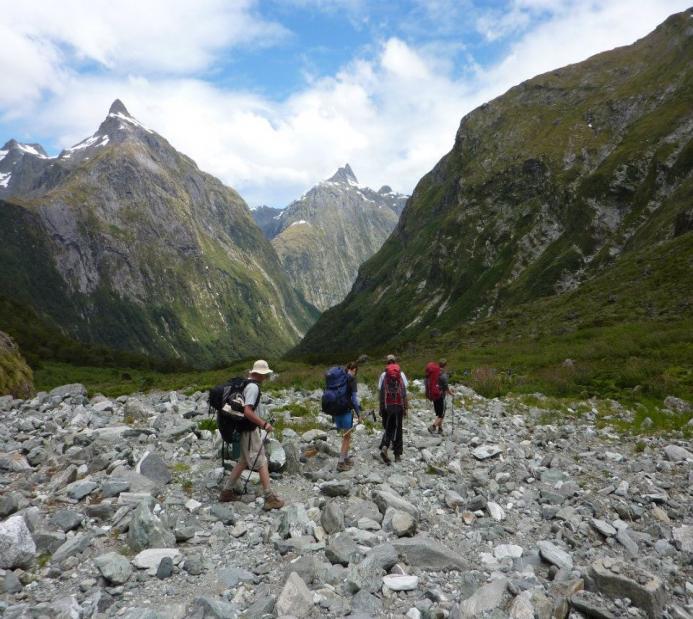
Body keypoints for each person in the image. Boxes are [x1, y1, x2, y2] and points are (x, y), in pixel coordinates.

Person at [219, 360, 284, 510]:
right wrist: (264, 424)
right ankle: (269, 497)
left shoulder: (244, 384)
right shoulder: (253, 387)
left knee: (243, 461)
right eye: (265, 374)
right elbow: (248, 411)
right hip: (248, 430)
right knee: (261, 461)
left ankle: (226, 492)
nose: (266, 377)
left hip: (242, 428)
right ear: (260, 374)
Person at [378, 354, 408, 464]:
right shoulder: (401, 375)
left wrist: (381, 408)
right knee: (398, 429)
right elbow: (404, 393)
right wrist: (406, 408)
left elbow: (381, 392)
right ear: (395, 361)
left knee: (389, 427)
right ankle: (397, 455)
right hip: (398, 406)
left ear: (387, 363)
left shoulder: (384, 375)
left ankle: (385, 446)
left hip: (387, 406)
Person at [335, 362, 361, 472]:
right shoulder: (352, 380)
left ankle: (345, 458)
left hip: (336, 411)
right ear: (354, 370)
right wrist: (359, 414)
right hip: (346, 412)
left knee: (345, 435)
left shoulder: (339, 379)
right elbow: (354, 399)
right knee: (347, 437)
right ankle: (341, 463)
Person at [427, 358, 454, 434]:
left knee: (439, 413)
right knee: (441, 414)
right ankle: (433, 426)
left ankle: (440, 429)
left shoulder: (435, 372)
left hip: (434, 395)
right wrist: (451, 393)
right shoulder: (444, 375)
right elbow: (445, 387)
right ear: (445, 365)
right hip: (441, 396)